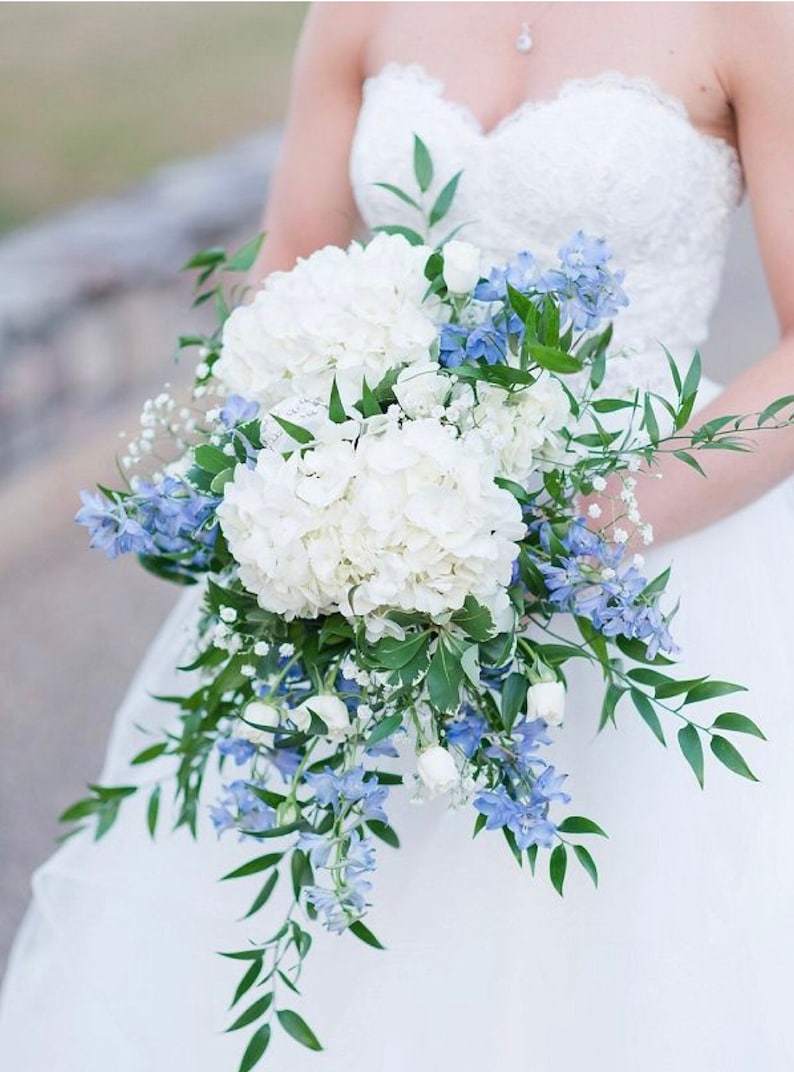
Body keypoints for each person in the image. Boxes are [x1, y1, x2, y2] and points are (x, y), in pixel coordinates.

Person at [2, 3, 794, 1069]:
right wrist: (307, 484)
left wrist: (586, 523)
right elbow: (292, 256)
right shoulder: (360, 8)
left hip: (653, 560)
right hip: (376, 554)